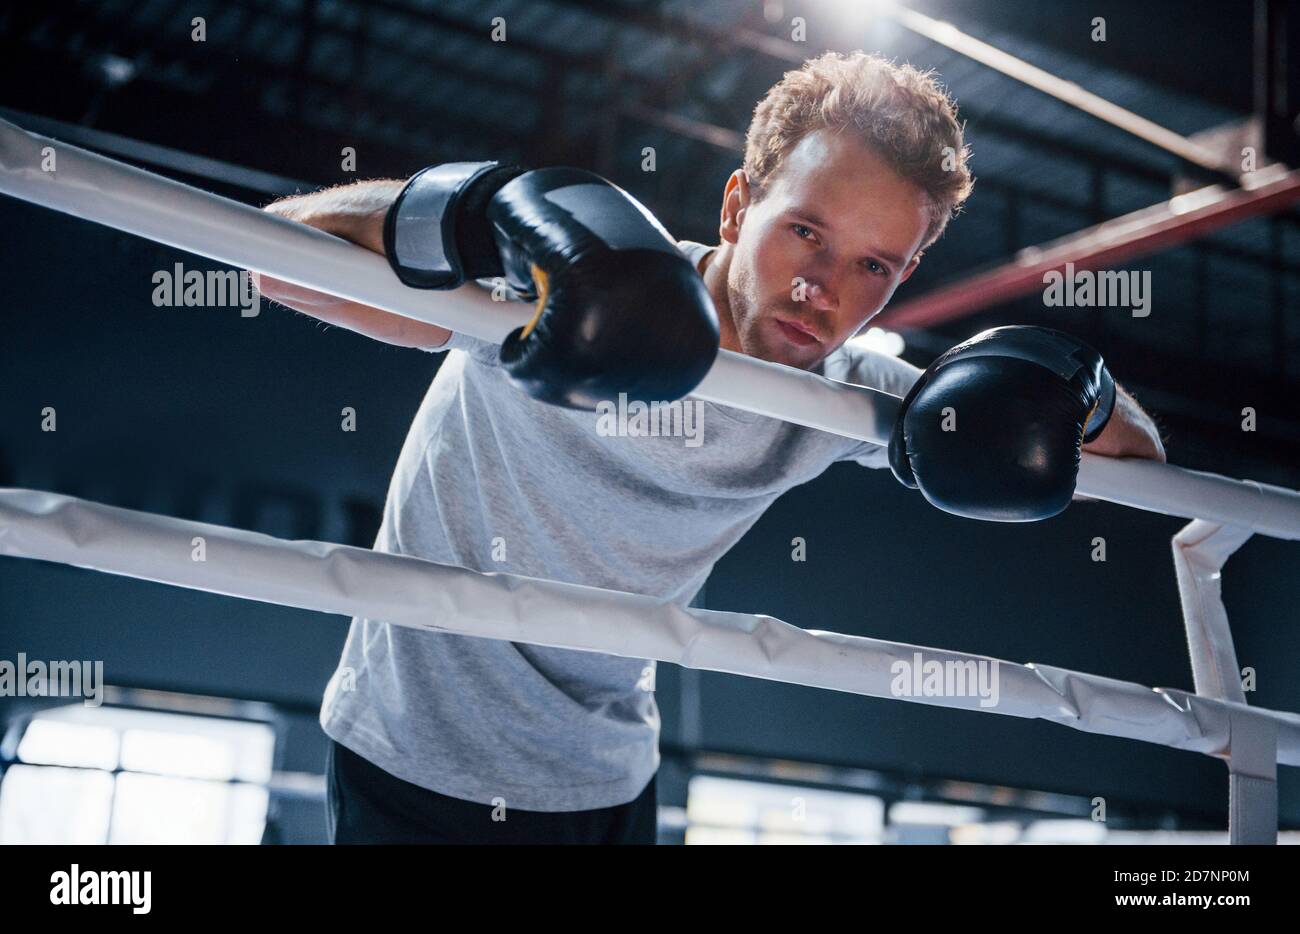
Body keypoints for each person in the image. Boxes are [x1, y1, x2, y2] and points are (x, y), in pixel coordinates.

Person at [255, 51, 1165, 845]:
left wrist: (1058, 378)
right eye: (805, 231)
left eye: (872, 265)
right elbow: (275, 255)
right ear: (739, 206)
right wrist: (475, 212)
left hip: (610, 781)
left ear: (905, 274)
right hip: (416, 758)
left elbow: (1144, 471)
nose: (821, 290)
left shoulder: (845, 395)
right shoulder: (561, 278)